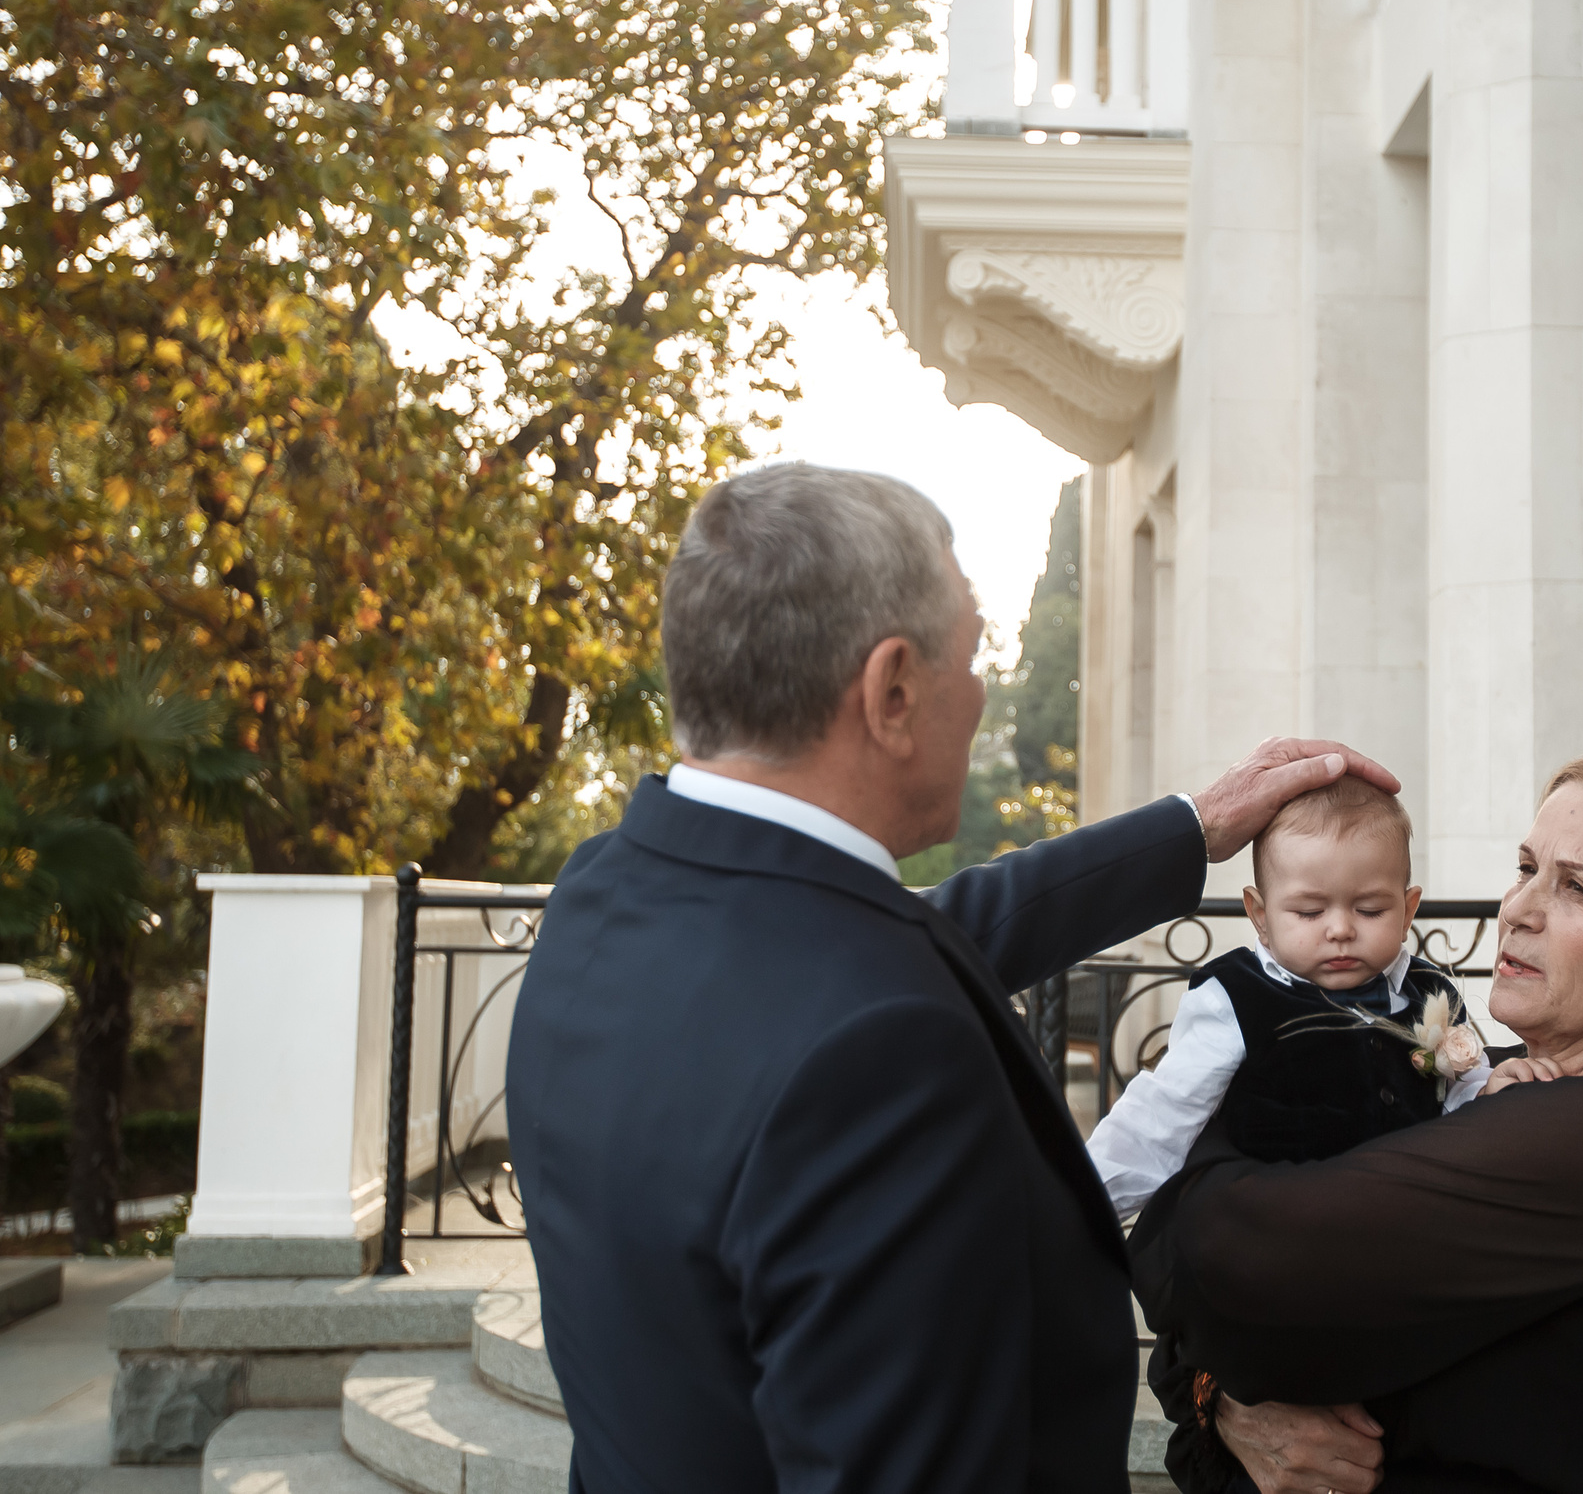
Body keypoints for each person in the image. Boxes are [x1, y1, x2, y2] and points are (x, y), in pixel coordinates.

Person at [505, 462, 1400, 1494]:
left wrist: (1187, 831)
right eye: (974, 654)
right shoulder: (877, 1055)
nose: (983, 689)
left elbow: (895, 937)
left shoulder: (609, 893)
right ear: (891, 692)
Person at [1130, 752, 1583, 1494]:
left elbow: (1229, 1259)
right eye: (1526, 866)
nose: (1519, 908)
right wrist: (1223, 1402)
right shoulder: (1494, 1078)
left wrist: (1180, 1201)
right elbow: (1227, 1309)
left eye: (1576, 887)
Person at [1086, 776, 1490, 1224]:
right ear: (1261, 916)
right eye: (1309, 913)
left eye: (1371, 910)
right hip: (1278, 1235)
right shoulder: (1236, 998)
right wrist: (1079, 1213)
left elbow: (1466, 1102)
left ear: (1408, 911)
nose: (1340, 929)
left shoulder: (1431, 992)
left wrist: (1496, 1091)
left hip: (1408, 1230)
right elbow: (1162, 1116)